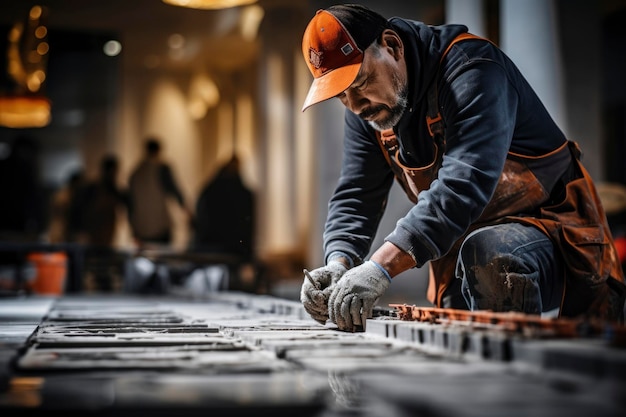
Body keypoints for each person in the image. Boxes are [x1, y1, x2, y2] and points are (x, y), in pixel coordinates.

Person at [298, 4, 626, 332]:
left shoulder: (473, 69)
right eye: (342, 96)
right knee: (458, 344)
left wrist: (379, 267)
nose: (355, 105)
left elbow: (462, 185)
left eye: (361, 81)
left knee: (490, 253)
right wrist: (338, 260)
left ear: (392, 46)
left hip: (560, 240)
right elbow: (357, 194)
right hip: (464, 250)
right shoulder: (370, 111)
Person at [127, 137, 192, 248]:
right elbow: (174, 191)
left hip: (141, 228)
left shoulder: (135, 173)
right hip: (160, 227)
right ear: (159, 150)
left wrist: (134, 229)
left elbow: (130, 205)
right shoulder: (161, 168)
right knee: (162, 259)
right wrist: (188, 212)